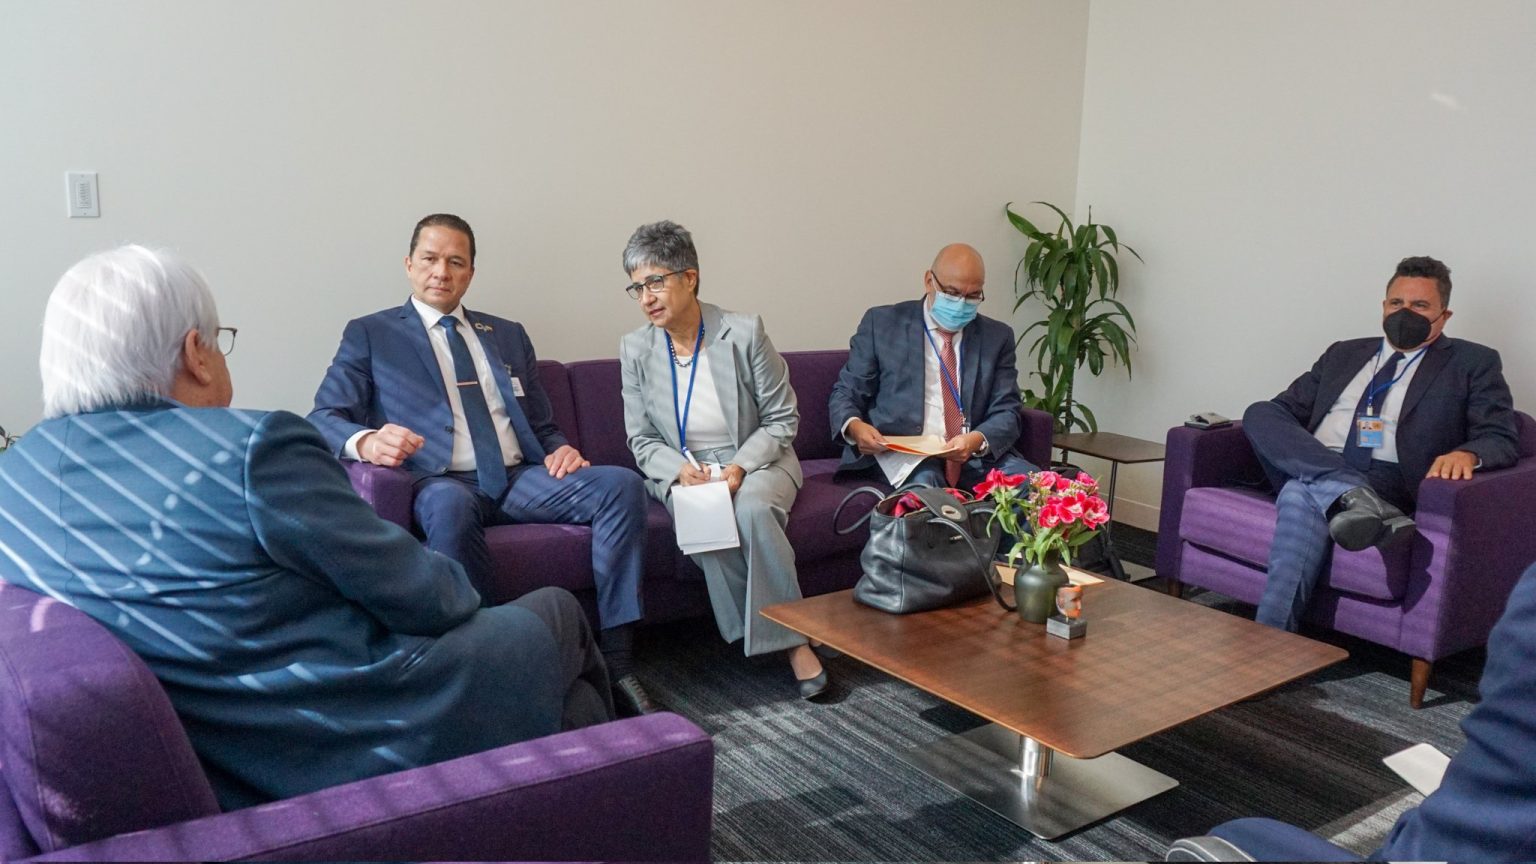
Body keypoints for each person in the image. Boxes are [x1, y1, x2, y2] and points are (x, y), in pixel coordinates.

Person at [0, 245, 613, 809]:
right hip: (351, 726)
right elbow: (428, 596)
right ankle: (617, 783)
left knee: (572, 699)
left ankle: (602, 778)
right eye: (220, 342)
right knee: (559, 614)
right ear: (195, 354)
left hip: (223, 751)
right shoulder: (250, 446)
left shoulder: (16, 477)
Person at [308, 214, 655, 716]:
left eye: (456, 262)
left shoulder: (507, 335)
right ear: (409, 264)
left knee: (621, 485)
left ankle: (619, 659)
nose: (441, 272)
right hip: (439, 481)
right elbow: (323, 417)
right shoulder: (371, 333)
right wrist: (367, 441)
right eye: (430, 259)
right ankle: (494, 661)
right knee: (449, 506)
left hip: (519, 478)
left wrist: (560, 448)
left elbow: (542, 423)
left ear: (470, 272)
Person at [1241, 255, 1519, 632]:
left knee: (1298, 493)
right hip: (1316, 458)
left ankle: (1271, 639)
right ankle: (1348, 491)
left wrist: (1468, 453)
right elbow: (1284, 410)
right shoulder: (1344, 353)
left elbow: (1501, 436)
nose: (1405, 313)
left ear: (1444, 316)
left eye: (1420, 305)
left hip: (1387, 478)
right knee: (1259, 411)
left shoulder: (1472, 362)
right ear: (1383, 306)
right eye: (1397, 303)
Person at [617, 220, 830, 699]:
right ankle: (783, 635)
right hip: (685, 467)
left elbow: (782, 418)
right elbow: (640, 438)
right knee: (704, 521)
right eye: (637, 287)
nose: (646, 297)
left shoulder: (744, 332)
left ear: (689, 277)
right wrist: (678, 471)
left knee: (752, 510)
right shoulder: (635, 349)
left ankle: (790, 643)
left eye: (655, 282)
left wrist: (741, 466)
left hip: (758, 458)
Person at [828, 243, 1036, 489]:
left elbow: (1007, 410)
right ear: (929, 281)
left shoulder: (997, 337)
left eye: (972, 296)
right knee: (929, 489)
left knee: (1038, 487)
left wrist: (977, 439)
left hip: (972, 457)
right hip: (904, 455)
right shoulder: (883, 324)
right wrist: (855, 427)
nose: (961, 304)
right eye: (952, 293)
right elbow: (846, 393)